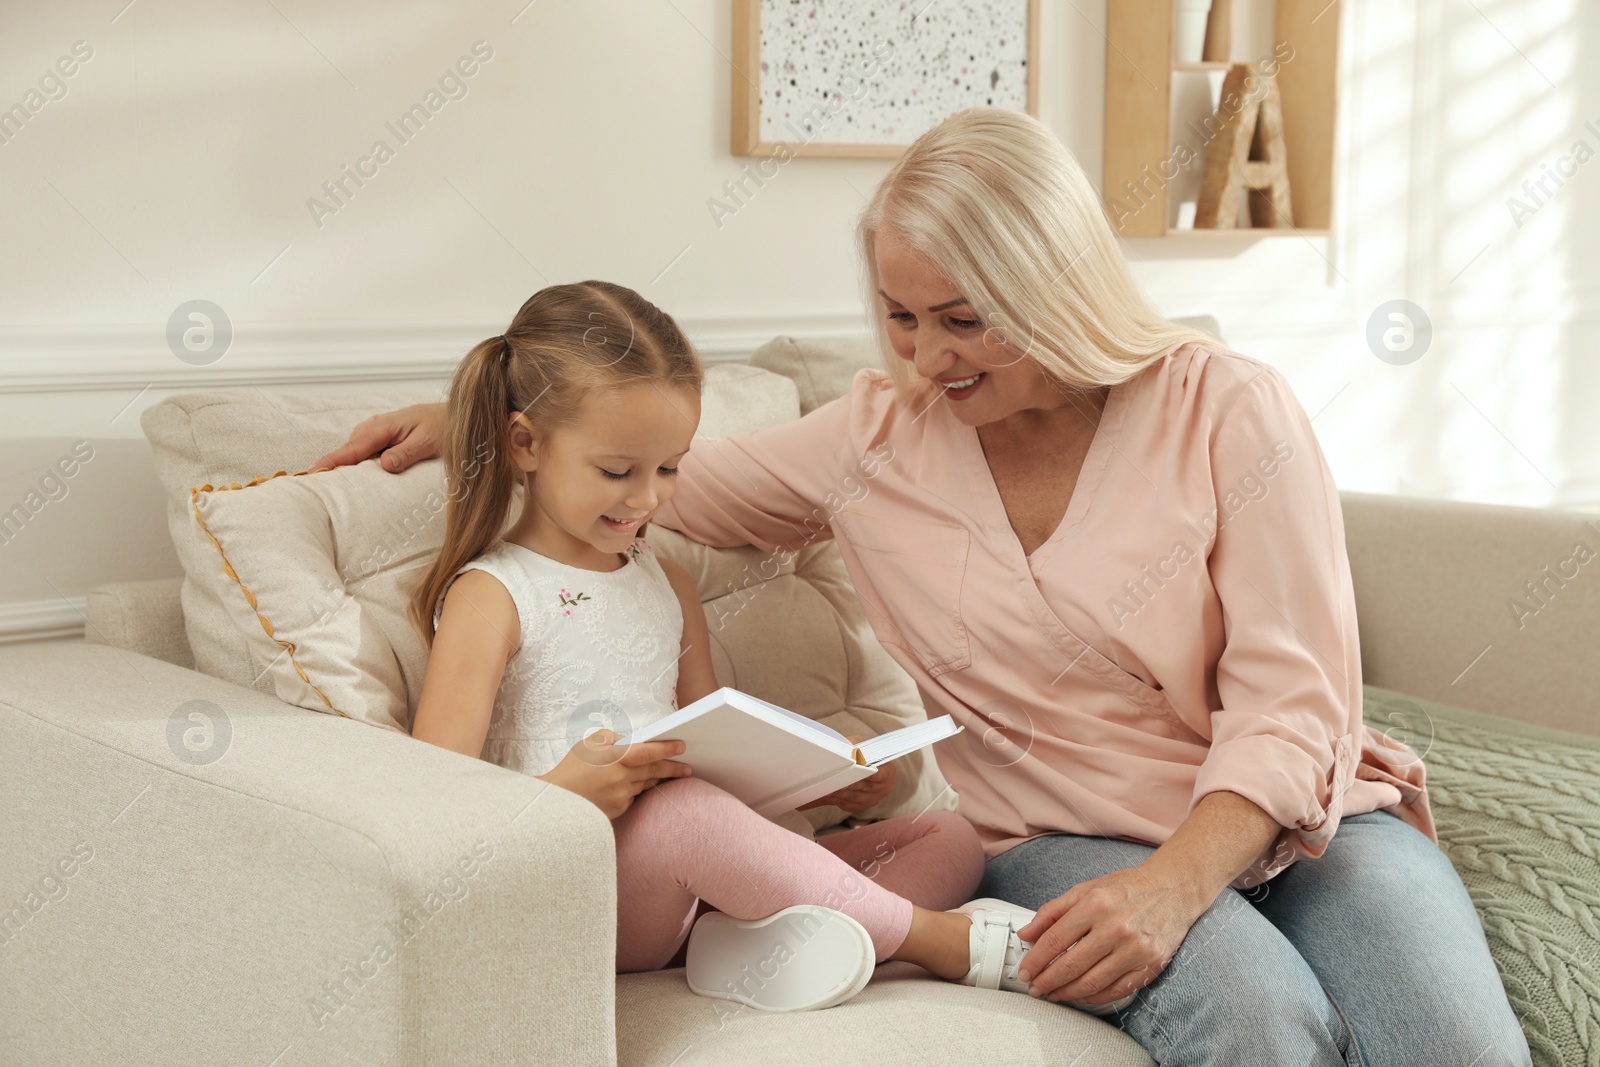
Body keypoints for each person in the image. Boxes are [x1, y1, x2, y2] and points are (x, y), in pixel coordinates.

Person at [317, 112, 1533, 1063]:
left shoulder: (1227, 408)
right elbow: (647, 491)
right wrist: (479, 422)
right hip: (1063, 834)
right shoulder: (873, 439)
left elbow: (1291, 699)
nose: (924, 357)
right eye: (899, 318)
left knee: (1457, 1045)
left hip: (1297, 820)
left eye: (964, 320)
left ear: (1052, 286)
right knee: (1259, 1024)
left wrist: (1174, 886)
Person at [395, 277, 1101, 1014]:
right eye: (616, 471)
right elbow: (436, 809)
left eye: (669, 468)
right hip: (579, 888)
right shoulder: (495, 594)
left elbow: (713, 744)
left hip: (702, 890)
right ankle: (938, 941)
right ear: (525, 443)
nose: (648, 499)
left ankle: (781, 948)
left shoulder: (664, 580)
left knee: (947, 835)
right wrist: (566, 795)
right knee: (683, 814)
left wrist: (824, 772)